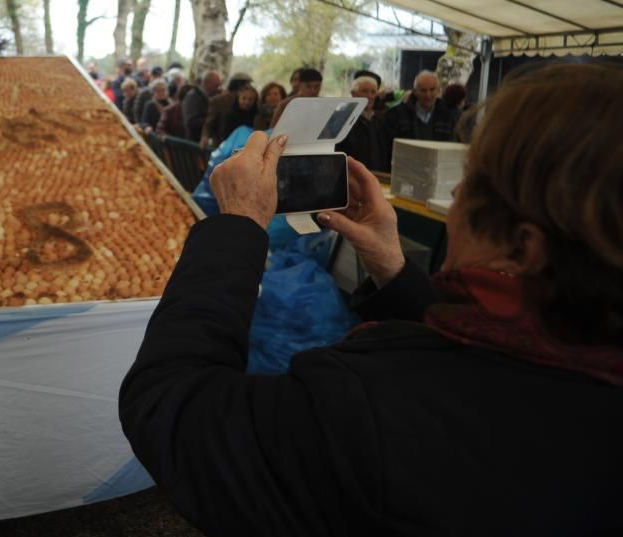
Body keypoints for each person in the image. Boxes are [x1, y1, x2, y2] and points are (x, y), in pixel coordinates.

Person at [120, 62, 623, 536]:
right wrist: (395, 272)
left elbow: (174, 410)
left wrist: (237, 228)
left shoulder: (370, 405)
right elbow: (488, 359)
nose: (456, 200)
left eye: (471, 179)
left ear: (522, 248)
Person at [382, 70, 459, 163]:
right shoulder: (396, 115)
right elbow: (388, 148)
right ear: (415, 91)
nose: (428, 95)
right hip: (406, 169)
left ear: (439, 90)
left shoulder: (449, 116)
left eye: (432, 89)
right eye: (423, 90)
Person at [335, 70, 389, 172]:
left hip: (378, 177)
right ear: (353, 93)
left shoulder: (380, 120)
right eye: (364, 91)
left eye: (373, 92)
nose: (369, 96)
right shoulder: (343, 120)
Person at [200, 72, 253, 148]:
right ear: (240, 85)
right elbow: (209, 123)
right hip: (221, 147)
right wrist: (205, 137)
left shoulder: (249, 101)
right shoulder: (218, 100)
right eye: (248, 84)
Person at [182, 70, 221, 144]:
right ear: (206, 83)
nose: (218, 89)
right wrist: (212, 121)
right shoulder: (192, 97)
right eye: (216, 86)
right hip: (194, 142)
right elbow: (191, 121)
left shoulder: (208, 97)